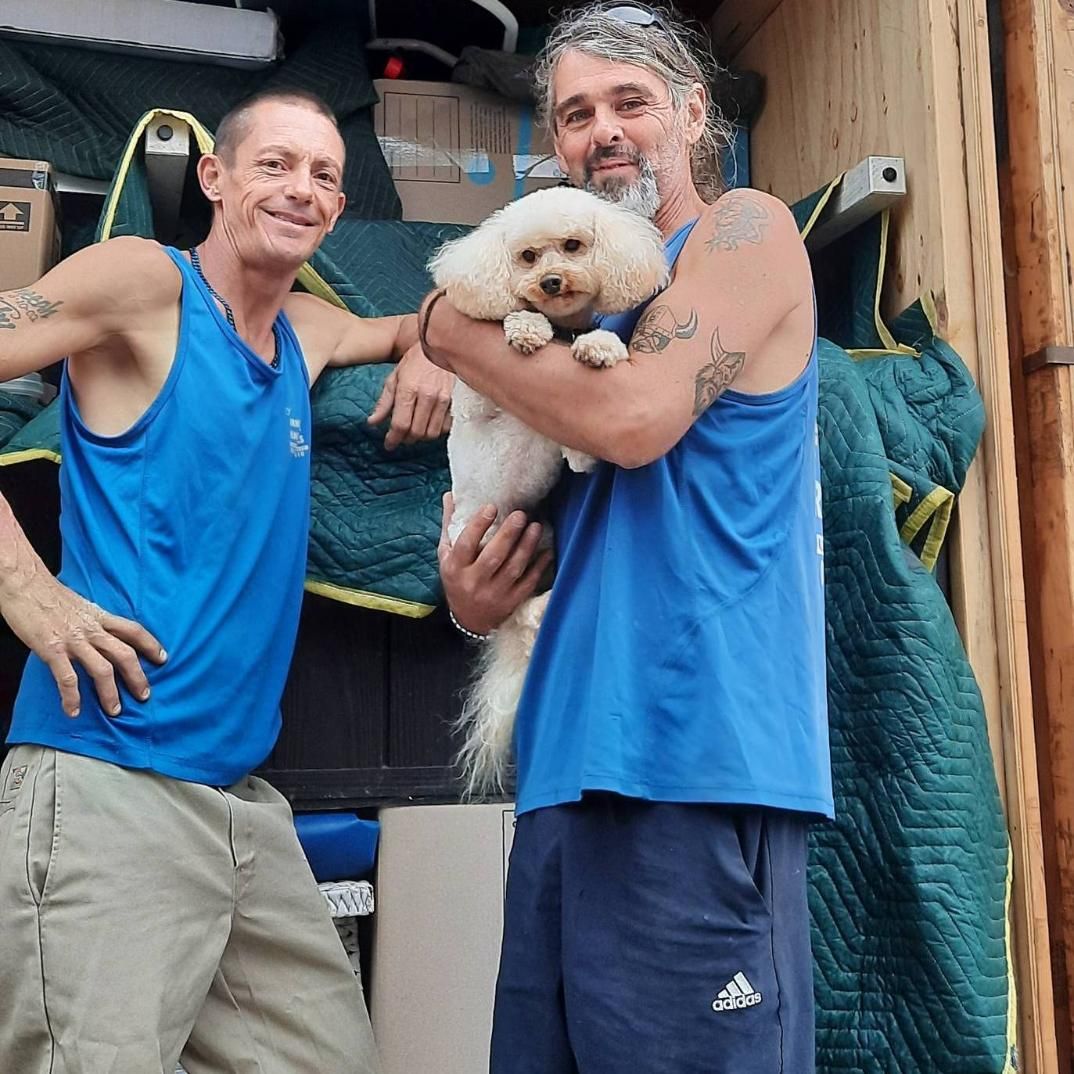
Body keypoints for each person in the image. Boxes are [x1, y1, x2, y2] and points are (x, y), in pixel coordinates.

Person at [0, 87, 453, 1073]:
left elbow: (419, 323)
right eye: (275, 164)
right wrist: (25, 589)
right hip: (109, 781)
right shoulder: (143, 283)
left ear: (340, 209)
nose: (302, 189)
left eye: (324, 175)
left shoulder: (307, 332)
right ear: (213, 177)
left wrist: (433, 345)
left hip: (240, 807)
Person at [424, 5, 832, 1072]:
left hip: (697, 759)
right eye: (574, 114)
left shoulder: (745, 232)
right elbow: (523, 516)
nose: (602, 130)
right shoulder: (568, 316)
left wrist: (440, 328)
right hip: (565, 766)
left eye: (630, 102)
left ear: (694, 114)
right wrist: (473, 593)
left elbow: (636, 418)